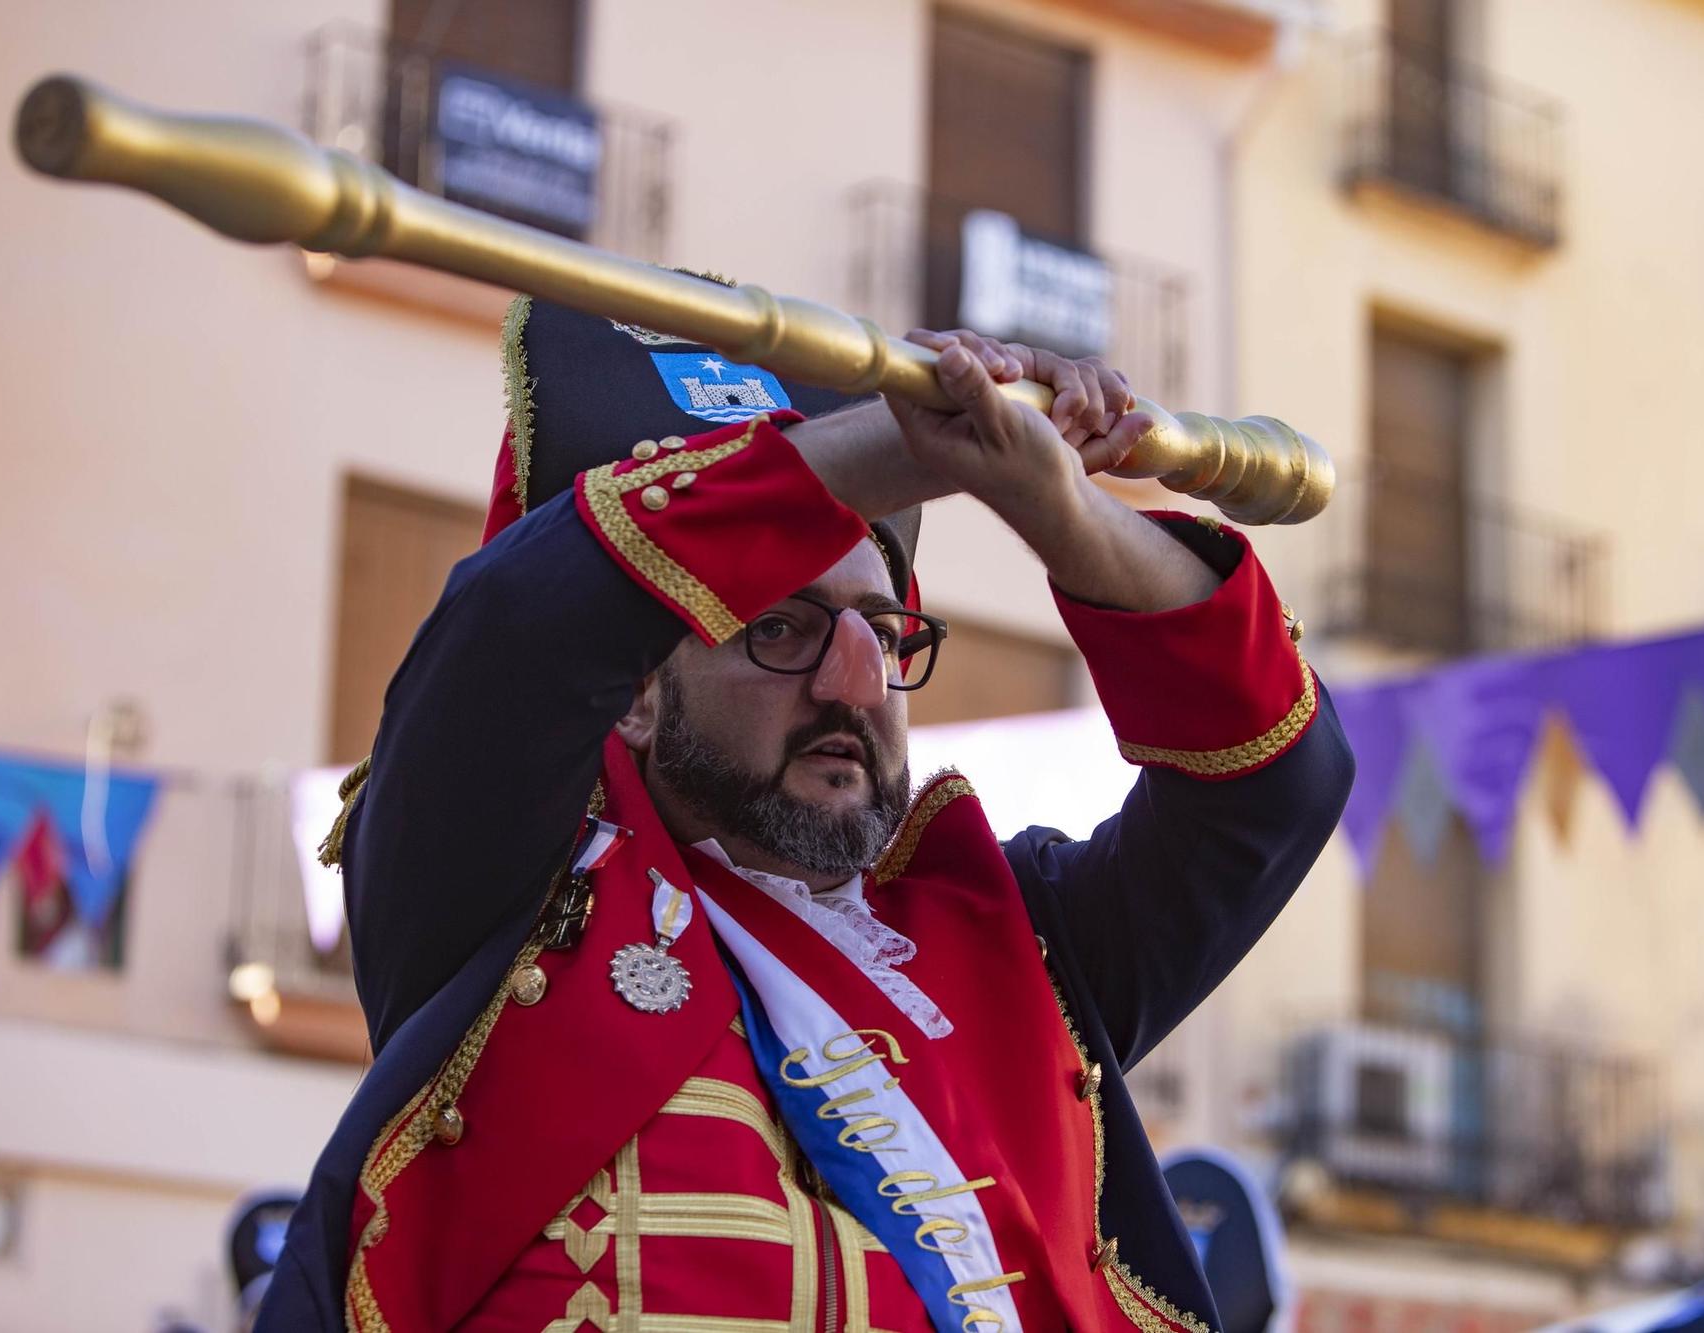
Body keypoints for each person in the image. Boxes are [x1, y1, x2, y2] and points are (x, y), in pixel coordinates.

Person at [259, 293, 1354, 1331]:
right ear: (635, 690)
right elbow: (517, 632)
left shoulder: (1014, 943)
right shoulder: (504, 895)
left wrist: (1057, 507)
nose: (853, 681)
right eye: (780, 626)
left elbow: (1269, 781)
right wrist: (902, 449)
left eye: (881, 630)